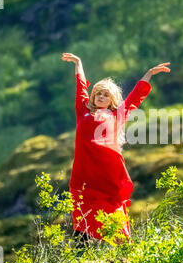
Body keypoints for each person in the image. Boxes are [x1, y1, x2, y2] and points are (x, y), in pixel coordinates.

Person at [61, 53, 170, 242]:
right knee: (82, 214)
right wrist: (78, 63)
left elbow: (135, 97)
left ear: (112, 101)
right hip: (84, 174)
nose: (101, 97)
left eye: (106, 95)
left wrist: (149, 74)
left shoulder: (117, 115)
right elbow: (80, 88)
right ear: (93, 96)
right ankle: (81, 259)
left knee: (112, 210)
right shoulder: (83, 111)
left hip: (107, 175)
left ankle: (124, 254)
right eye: (99, 94)